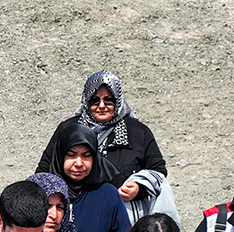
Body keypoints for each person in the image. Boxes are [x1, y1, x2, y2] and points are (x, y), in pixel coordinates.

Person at [35, 70, 174, 221]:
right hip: (73, 215)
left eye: (109, 99)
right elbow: (44, 171)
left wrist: (139, 189)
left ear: (118, 100)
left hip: (123, 216)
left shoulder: (138, 133)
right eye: (95, 100)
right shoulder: (69, 129)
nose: (102, 106)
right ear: (86, 100)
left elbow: (158, 170)